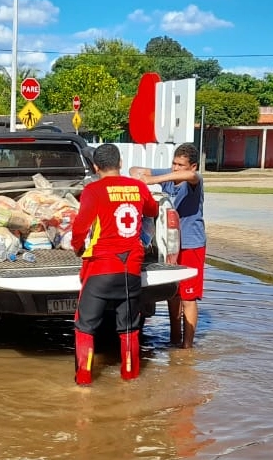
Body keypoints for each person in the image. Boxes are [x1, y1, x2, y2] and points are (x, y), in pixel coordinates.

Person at [71, 143, 159, 386]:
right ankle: (130, 380)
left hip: (101, 268)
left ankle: (84, 383)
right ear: (120, 164)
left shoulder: (93, 190)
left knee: (85, 327)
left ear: (95, 167)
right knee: (129, 329)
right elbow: (153, 209)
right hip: (131, 268)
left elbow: (80, 227)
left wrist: (77, 248)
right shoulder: (138, 187)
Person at [129, 142, 206, 349]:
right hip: (171, 245)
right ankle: (174, 338)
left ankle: (187, 346)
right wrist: (140, 177)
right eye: (173, 163)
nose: (175, 168)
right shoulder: (171, 174)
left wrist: (153, 180)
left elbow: (191, 177)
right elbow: (134, 170)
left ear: (193, 166)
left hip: (191, 244)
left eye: (180, 165)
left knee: (189, 297)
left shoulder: (195, 181)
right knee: (173, 293)